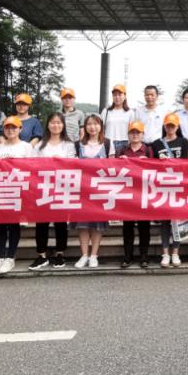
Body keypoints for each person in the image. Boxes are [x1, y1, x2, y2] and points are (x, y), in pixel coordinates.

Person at [28, 112, 77, 271]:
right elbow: (32, 164)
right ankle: (41, 255)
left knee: (60, 223)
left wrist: (61, 162)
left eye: (59, 122)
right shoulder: (40, 144)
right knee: (41, 223)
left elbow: (74, 164)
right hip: (43, 187)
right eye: (52, 122)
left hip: (62, 187)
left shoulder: (68, 144)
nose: (56, 125)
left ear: (63, 125)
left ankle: (60, 253)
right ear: (48, 125)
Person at [0, 116, 34, 274]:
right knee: (0, 225)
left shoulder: (27, 147)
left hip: (18, 189)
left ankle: (10, 257)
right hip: (0, 188)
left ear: (20, 129)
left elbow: (33, 167)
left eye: (14, 127)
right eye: (7, 127)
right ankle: (0, 256)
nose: (10, 130)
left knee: (14, 224)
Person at [151, 113, 188, 267]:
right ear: (164, 126)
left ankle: (175, 253)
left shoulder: (183, 142)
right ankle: (165, 253)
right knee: (165, 222)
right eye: (168, 125)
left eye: (173, 125)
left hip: (179, 185)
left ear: (177, 127)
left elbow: (186, 163)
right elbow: (150, 165)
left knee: (177, 220)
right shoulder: (156, 144)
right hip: (162, 185)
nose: (170, 128)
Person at [75, 115, 110, 269]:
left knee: (97, 224)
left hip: (100, 189)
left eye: (95, 124)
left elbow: (112, 166)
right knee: (82, 224)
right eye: (89, 124)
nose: (92, 127)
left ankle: (94, 255)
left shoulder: (107, 143)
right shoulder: (78, 145)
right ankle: (84, 255)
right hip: (81, 189)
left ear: (101, 126)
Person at [117, 121, 153, 268]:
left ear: (143, 134)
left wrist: (148, 162)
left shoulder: (148, 150)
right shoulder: (122, 150)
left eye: (138, 132)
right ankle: (128, 256)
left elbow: (156, 170)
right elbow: (114, 170)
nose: (135, 135)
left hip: (144, 193)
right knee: (127, 227)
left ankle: (144, 256)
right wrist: (120, 162)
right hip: (127, 193)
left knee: (144, 227)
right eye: (132, 132)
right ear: (128, 134)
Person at [102, 84, 136, 151]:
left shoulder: (130, 112)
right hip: (108, 142)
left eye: (120, 95)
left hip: (124, 143)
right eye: (115, 95)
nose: (117, 97)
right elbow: (101, 128)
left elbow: (132, 130)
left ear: (125, 96)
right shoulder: (106, 111)